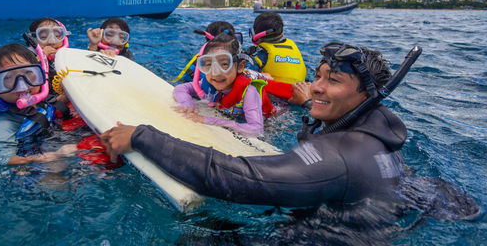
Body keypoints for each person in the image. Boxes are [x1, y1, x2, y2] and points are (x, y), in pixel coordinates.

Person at [101, 43, 460, 212]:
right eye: (317, 76)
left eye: (332, 81)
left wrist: (142, 136)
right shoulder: (370, 135)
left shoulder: (340, 157)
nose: (315, 87)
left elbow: (236, 178)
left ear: (366, 94)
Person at [0, 43, 78, 165]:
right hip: (31, 161)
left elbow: (55, 103)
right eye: (9, 78)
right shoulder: (4, 124)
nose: (22, 84)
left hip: (51, 137)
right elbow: (0, 158)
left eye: (28, 73)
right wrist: (49, 157)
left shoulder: (41, 99)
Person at [173, 32, 275, 136]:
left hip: (270, 122)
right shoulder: (207, 83)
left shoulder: (249, 92)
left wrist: (211, 121)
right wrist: (187, 103)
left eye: (225, 64)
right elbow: (180, 88)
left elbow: (256, 130)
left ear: (240, 66)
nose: (216, 72)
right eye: (208, 64)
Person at [245, 11, 307, 83]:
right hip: (300, 90)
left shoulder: (261, 54)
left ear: (256, 36)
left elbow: (247, 75)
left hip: (272, 92)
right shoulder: (293, 48)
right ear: (281, 34)